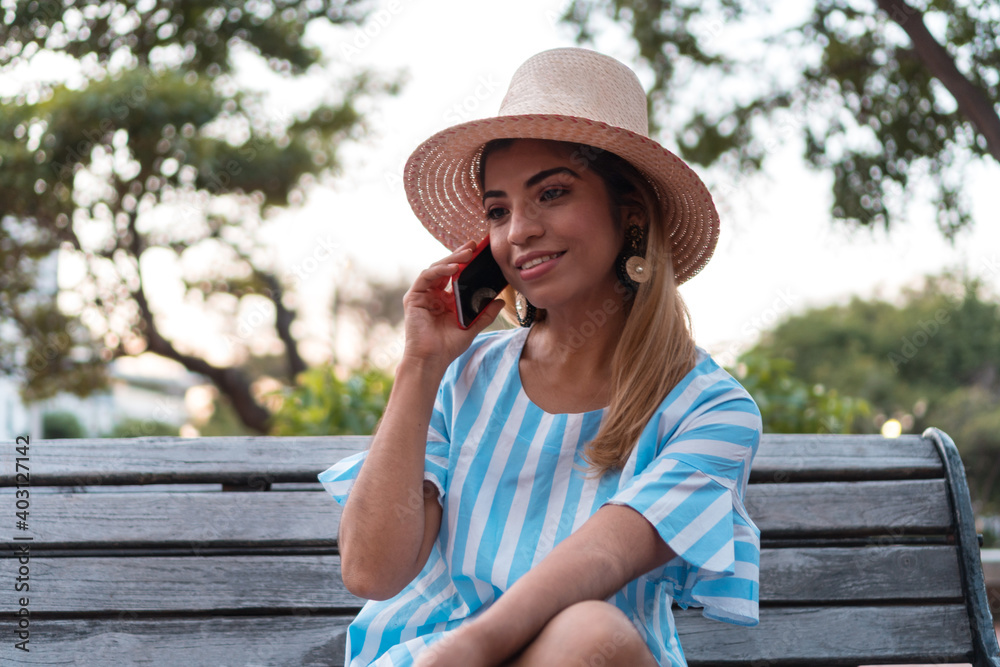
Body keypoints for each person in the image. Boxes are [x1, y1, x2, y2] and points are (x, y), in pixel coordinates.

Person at [319, 47, 762, 667]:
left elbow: (605, 555)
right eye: (498, 211)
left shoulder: (710, 409)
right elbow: (371, 572)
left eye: (551, 193)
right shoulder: (463, 377)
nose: (518, 231)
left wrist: (466, 653)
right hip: (424, 655)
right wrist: (420, 365)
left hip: (564, 658)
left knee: (591, 632)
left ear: (630, 214)